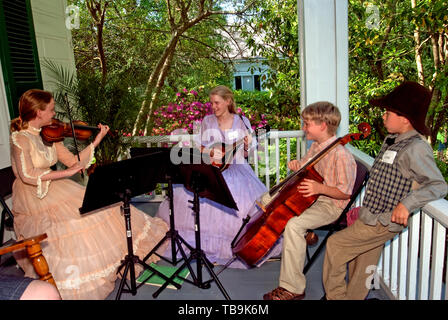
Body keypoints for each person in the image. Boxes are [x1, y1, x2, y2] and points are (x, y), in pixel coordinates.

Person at [9, 89, 169, 300]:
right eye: (51, 110)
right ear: (38, 112)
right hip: (34, 196)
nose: (54, 114)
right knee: (72, 226)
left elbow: (75, 162)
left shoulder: (50, 135)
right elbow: (27, 174)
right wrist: (64, 173)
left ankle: (114, 263)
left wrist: (97, 139)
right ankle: (78, 279)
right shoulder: (20, 139)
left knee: (103, 207)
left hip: (57, 186)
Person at [322, 81, 448, 300]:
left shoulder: (416, 148)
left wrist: (406, 204)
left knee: (335, 245)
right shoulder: (392, 140)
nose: (383, 116)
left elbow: (438, 184)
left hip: (384, 220)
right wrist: (364, 210)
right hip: (372, 215)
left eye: (388, 112)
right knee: (363, 260)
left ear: (405, 119)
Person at [156, 85, 279, 268]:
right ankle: (199, 246)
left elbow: (246, 154)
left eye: (217, 103)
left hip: (237, 169)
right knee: (187, 194)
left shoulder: (241, 121)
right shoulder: (207, 121)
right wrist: (211, 152)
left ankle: (234, 248)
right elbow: (201, 147)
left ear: (228, 101)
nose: (213, 107)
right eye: (211, 103)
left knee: (241, 204)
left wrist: (247, 145)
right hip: (212, 168)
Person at [263, 101, 357, 300]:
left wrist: (320, 188)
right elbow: (307, 170)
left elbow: (345, 193)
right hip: (311, 198)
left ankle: (293, 288)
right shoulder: (316, 146)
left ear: (323, 125)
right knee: (268, 198)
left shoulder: (341, 155)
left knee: (294, 224)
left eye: (307, 124)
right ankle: (307, 234)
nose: (303, 127)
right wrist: (298, 165)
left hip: (330, 205)